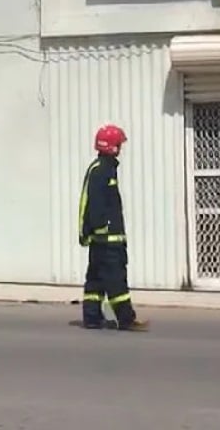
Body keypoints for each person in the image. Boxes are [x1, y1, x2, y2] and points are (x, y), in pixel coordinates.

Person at [78, 124, 148, 331]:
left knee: (96, 280)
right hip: (108, 240)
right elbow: (92, 203)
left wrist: (89, 233)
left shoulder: (102, 169)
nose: (121, 148)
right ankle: (126, 319)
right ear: (112, 147)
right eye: (119, 144)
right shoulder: (102, 170)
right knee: (116, 279)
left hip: (101, 239)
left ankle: (92, 318)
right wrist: (101, 230)